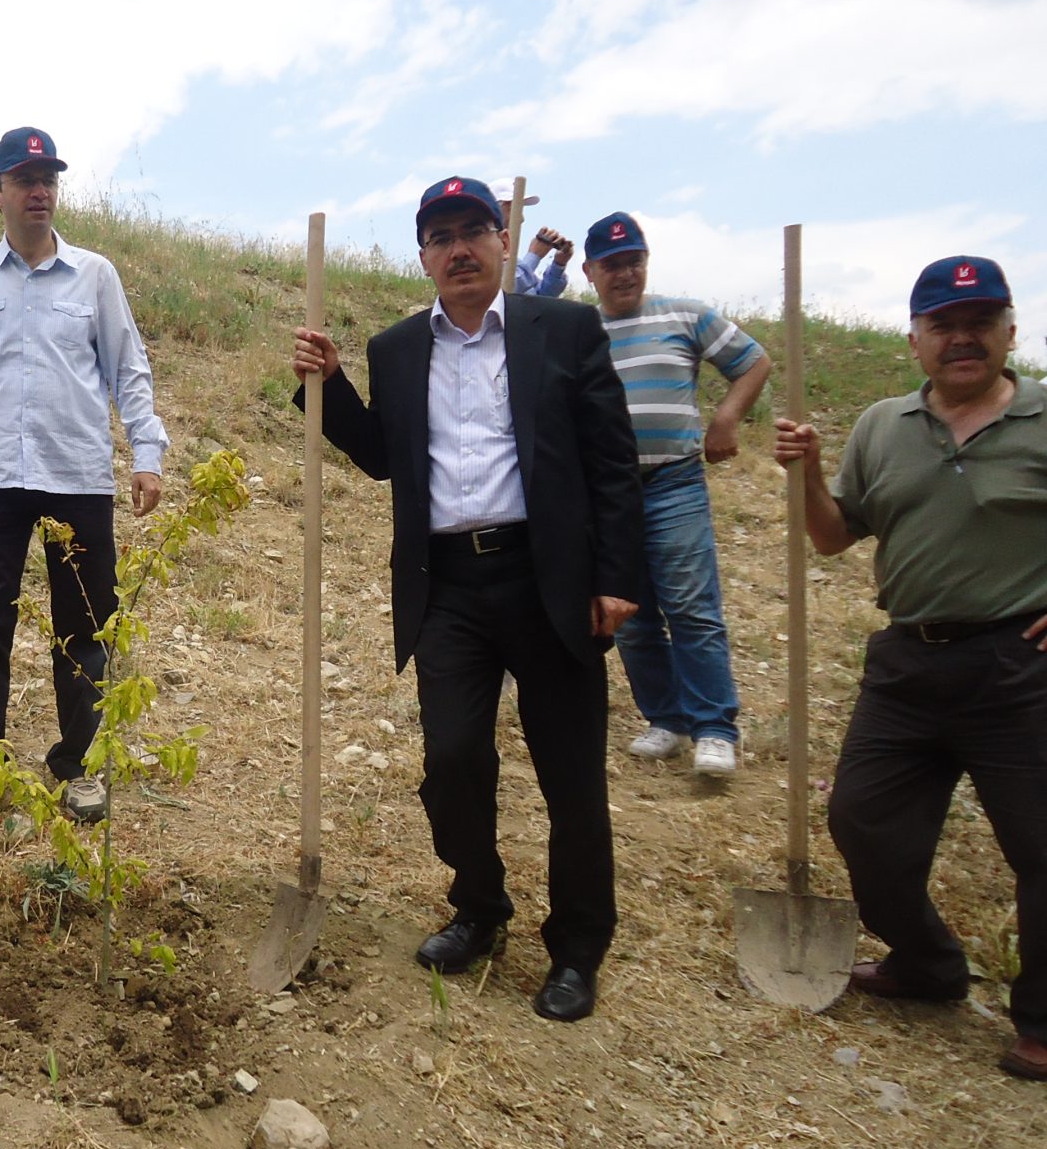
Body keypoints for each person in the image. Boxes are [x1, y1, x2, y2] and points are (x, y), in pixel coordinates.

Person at [291, 176, 641, 1022]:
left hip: (547, 580)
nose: (458, 250)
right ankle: (480, 906)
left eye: (473, 231)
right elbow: (383, 457)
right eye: (440, 237)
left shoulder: (564, 329)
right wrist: (330, 384)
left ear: (502, 240)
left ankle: (578, 948)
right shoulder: (398, 348)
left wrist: (617, 576)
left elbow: (612, 459)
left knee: (570, 776)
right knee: (452, 760)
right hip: (447, 585)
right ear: (423, 258)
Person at [774, 255, 1046, 1084]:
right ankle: (927, 963)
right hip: (907, 661)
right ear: (915, 339)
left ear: (1008, 331)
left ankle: (1041, 1020)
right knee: (862, 821)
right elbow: (833, 536)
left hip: (1019, 664)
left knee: (1039, 844)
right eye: (943, 325)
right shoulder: (882, 426)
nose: (962, 338)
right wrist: (808, 474)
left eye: (979, 322)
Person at [0, 126, 169, 825]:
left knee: (86, 625)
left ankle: (79, 766)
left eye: (48, 179)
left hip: (77, 475)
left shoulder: (95, 276)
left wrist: (147, 454)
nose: (39, 191)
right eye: (24, 179)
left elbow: (129, 368)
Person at [583, 211, 771, 776]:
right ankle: (666, 719)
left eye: (634, 261)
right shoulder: (580, 330)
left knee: (691, 608)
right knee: (630, 613)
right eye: (612, 265)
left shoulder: (686, 315)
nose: (625, 274)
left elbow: (754, 362)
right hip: (608, 492)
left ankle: (714, 728)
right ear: (589, 271)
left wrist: (726, 420)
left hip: (673, 482)